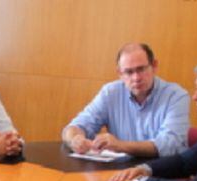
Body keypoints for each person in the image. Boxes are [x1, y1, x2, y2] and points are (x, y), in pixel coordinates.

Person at [62, 43, 190, 158]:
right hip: (120, 173)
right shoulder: (110, 93)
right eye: (129, 72)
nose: (136, 78)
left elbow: (171, 145)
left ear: (154, 66)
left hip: (163, 173)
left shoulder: (176, 96)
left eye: (141, 69)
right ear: (120, 74)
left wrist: (121, 146)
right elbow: (74, 127)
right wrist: (76, 139)